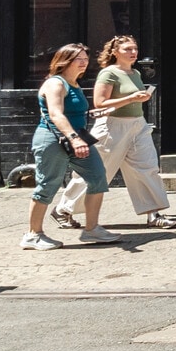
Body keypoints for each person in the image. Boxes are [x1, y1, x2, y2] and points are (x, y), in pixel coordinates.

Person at [50, 36, 176, 231]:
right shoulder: (108, 73)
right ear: (115, 52)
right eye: (127, 49)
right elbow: (99, 103)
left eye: (135, 48)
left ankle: (154, 214)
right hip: (111, 126)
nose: (133, 52)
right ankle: (63, 209)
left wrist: (140, 98)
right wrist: (131, 98)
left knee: (147, 167)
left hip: (138, 125)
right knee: (96, 171)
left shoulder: (135, 73)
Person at [22, 44, 117, 249]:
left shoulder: (74, 83)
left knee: (98, 177)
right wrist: (74, 139)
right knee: (48, 184)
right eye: (77, 59)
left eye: (85, 58)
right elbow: (55, 114)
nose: (83, 62)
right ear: (64, 60)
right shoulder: (56, 83)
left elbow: (73, 113)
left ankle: (92, 230)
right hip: (53, 139)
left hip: (78, 138)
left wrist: (94, 114)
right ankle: (33, 234)